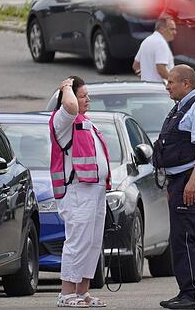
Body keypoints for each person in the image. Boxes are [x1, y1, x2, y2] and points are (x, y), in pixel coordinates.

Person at [155, 65, 195, 310]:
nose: (167, 86)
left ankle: (193, 295)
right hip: (179, 180)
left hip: (189, 179)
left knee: (184, 237)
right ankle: (189, 292)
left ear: (186, 84)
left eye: (171, 82)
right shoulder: (181, 107)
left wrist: (193, 181)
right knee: (183, 236)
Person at [50, 76, 111, 308]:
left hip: (94, 189)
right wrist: (66, 86)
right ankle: (66, 293)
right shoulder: (63, 119)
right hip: (78, 189)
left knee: (92, 242)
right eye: (82, 96)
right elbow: (69, 105)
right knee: (78, 240)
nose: (87, 99)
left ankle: (82, 291)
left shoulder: (86, 121)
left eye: (87, 95)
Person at [134, 17, 176, 82]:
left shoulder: (146, 40)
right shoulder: (161, 43)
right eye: (172, 29)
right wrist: (174, 82)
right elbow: (161, 69)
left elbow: (136, 66)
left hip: (147, 85)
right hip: (160, 86)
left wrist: (145, 78)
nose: (175, 32)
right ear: (162, 29)